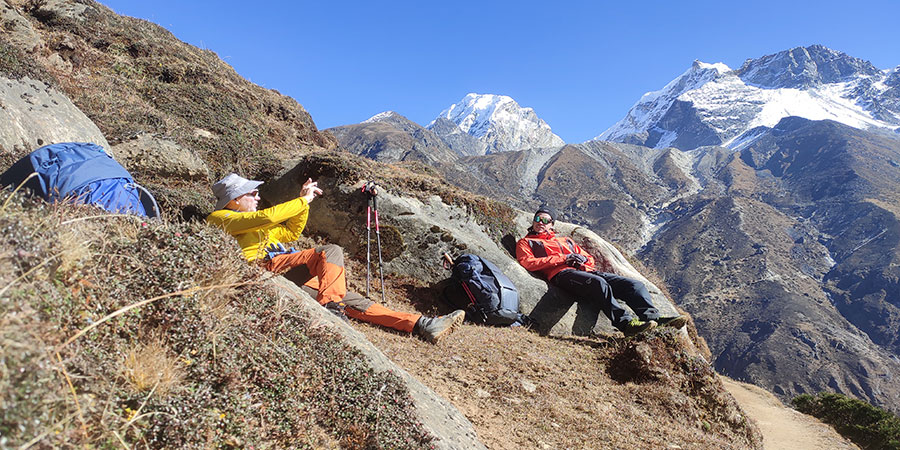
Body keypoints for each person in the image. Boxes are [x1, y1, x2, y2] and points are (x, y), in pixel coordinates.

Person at [206, 173, 464, 343]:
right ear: (235, 200)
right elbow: (267, 217)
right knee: (330, 252)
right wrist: (304, 200)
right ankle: (331, 309)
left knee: (351, 300)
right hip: (263, 269)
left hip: (286, 270)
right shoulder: (220, 218)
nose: (257, 197)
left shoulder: (253, 225)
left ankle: (423, 324)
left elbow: (290, 231)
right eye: (252, 194)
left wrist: (301, 202)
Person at [516, 206, 686, 337]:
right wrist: (563, 259)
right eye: (538, 218)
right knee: (599, 284)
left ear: (552, 224)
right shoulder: (526, 242)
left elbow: (589, 258)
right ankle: (626, 325)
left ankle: (653, 318)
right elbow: (528, 262)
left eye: (545, 220)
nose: (540, 222)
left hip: (585, 272)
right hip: (562, 275)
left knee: (634, 285)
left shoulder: (566, 240)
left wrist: (582, 261)